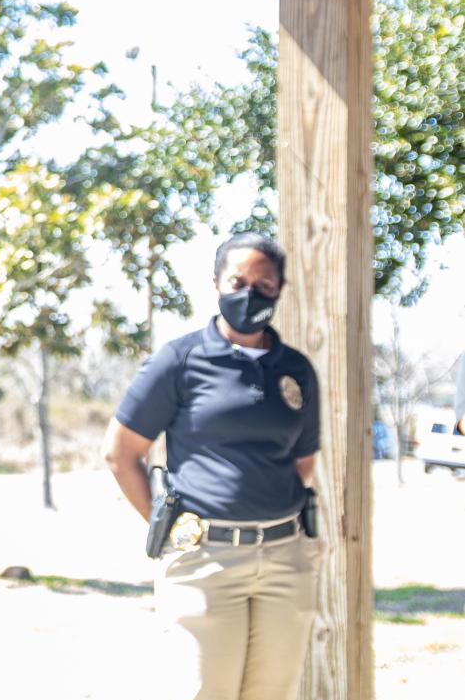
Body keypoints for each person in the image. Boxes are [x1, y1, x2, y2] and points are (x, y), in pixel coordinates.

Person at [103, 232, 321, 700]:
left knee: (274, 692)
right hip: (204, 562)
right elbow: (121, 454)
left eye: (264, 284)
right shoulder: (179, 361)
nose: (250, 294)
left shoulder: (296, 370)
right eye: (237, 280)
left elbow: (302, 462)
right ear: (216, 283)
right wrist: (175, 530)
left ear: (280, 289)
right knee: (204, 691)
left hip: (285, 558)